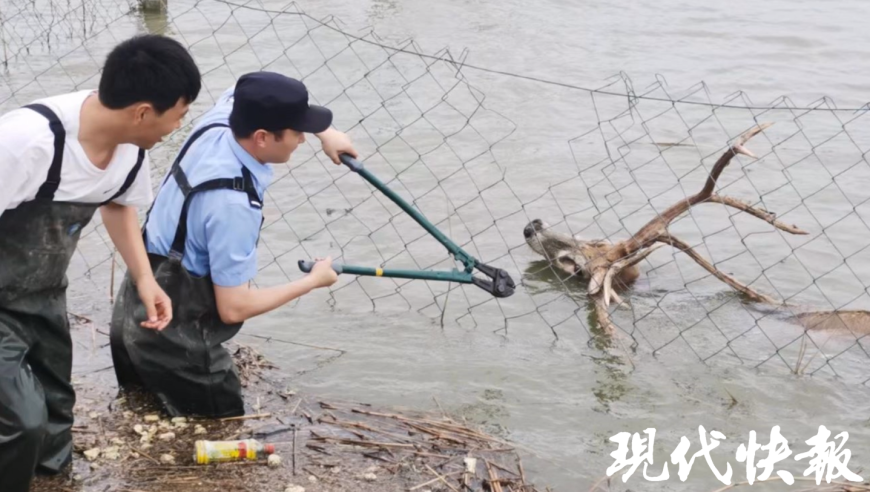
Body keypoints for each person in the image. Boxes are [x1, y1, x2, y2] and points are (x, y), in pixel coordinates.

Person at [0, 34, 200, 491]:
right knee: (20, 421)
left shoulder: (129, 148)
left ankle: (52, 481)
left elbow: (117, 205)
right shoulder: (25, 142)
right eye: (180, 114)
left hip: (42, 294)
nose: (177, 127)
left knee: (54, 414)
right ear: (144, 111)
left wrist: (146, 279)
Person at [109, 71, 355, 419]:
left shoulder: (221, 122)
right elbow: (234, 309)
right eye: (297, 132)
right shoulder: (233, 206)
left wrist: (326, 132)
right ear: (262, 138)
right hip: (173, 337)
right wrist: (313, 281)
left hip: (134, 305)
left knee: (139, 412)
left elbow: (241, 86)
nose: (302, 139)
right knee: (223, 422)